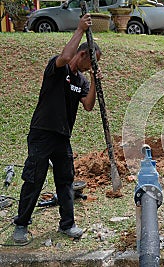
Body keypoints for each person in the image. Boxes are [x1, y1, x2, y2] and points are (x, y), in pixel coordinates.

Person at [13, 13, 103, 244]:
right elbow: (65, 55)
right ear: (83, 54)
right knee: (34, 179)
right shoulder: (57, 67)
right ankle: (21, 225)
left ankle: (67, 224)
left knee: (66, 180)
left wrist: (94, 80)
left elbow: (89, 106)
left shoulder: (81, 80)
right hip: (42, 133)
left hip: (63, 136)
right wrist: (80, 29)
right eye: (92, 62)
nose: (92, 67)